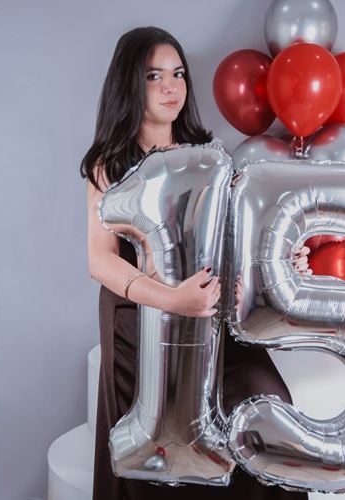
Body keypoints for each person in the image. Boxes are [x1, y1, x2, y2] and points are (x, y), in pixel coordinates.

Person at [81, 26, 309, 500]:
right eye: (154, 76)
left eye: (179, 74)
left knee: (267, 406)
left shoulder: (208, 155)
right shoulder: (110, 163)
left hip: (211, 317)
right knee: (160, 452)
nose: (171, 87)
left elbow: (235, 242)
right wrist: (171, 300)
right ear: (130, 83)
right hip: (140, 319)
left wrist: (284, 262)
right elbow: (100, 261)